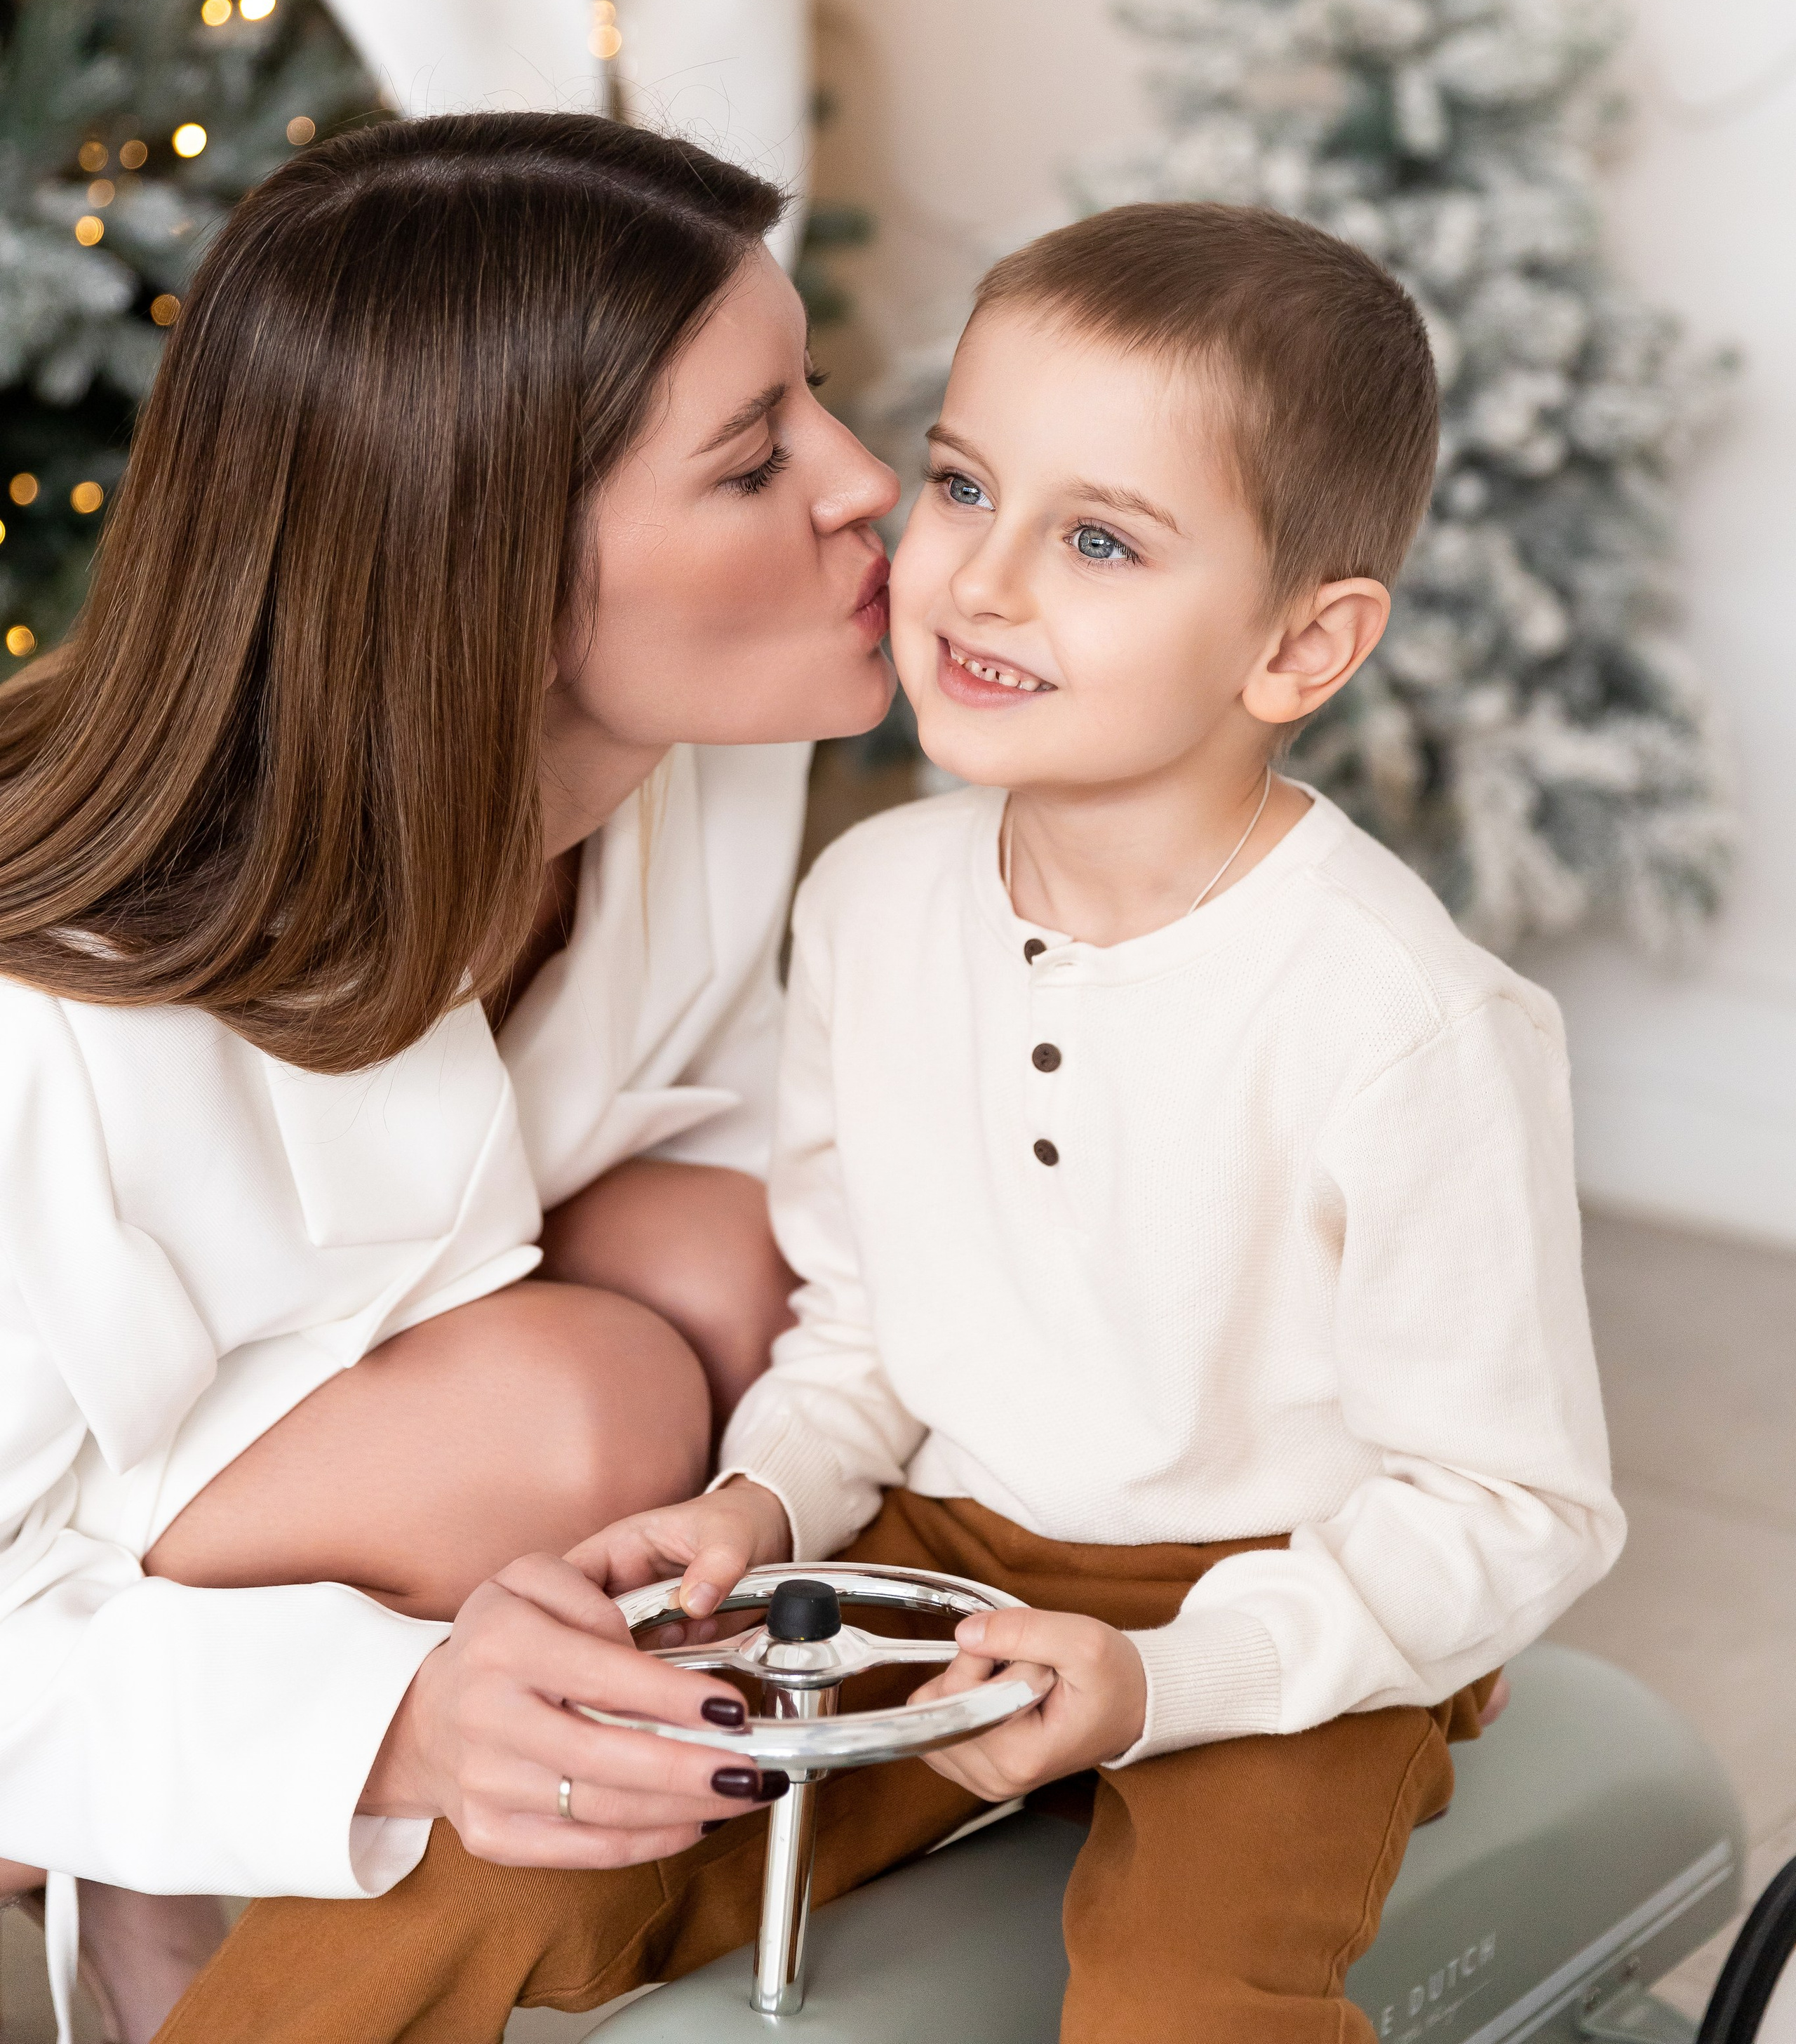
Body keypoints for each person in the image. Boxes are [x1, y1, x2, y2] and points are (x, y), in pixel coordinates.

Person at [152, 199, 1626, 2044]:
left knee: (1188, 1996)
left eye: (1097, 538)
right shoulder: (874, 895)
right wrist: (754, 1501)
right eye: (958, 484)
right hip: (939, 1555)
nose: (978, 579)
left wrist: (1170, 1680)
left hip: (1285, 1608)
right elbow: (866, 1325)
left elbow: (1513, 1505)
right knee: (501, 1857)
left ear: (1300, 649)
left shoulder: (1410, 1023)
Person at [0, 111, 903, 2044]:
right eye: (755, 462)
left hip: (272, 1466)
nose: (869, 488)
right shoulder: (42, 1023)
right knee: (567, 1413)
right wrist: (379, 1721)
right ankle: (183, 1914)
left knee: (737, 1264)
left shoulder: (695, 777)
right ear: (483, 566)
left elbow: (726, 1172)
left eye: (811, 404)